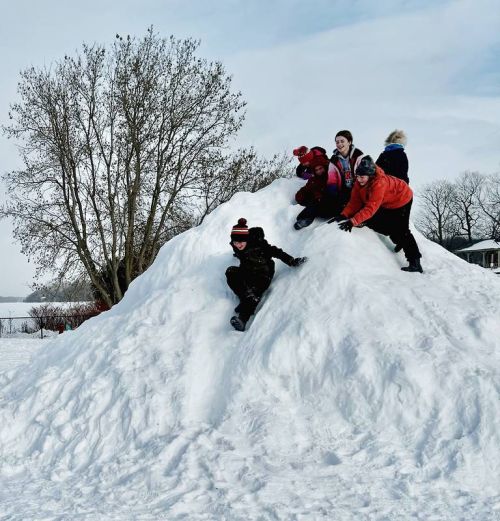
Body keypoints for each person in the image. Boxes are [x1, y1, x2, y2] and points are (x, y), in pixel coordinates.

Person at [329, 155, 423, 273]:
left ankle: (415, 262)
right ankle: (399, 241)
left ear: (370, 175)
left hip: (402, 198)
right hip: (387, 201)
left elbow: (370, 208)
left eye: (362, 177)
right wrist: (344, 215)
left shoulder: (379, 184)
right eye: (357, 176)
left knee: (402, 230)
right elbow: (354, 202)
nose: (359, 179)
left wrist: (353, 221)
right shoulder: (359, 183)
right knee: (378, 223)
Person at [226, 218, 307, 331]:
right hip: (248, 271)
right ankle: (245, 298)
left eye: (240, 242)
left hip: (263, 274)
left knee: (253, 295)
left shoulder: (260, 245)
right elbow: (238, 248)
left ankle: (242, 320)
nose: (238, 245)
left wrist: (292, 261)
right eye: (235, 242)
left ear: (247, 240)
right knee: (231, 272)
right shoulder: (237, 246)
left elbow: (277, 252)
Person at [294, 149, 344, 229]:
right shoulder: (314, 177)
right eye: (316, 170)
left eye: (320, 169)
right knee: (313, 202)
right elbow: (308, 186)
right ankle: (304, 219)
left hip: (335, 200)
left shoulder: (330, 172)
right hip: (323, 201)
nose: (319, 171)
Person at [330, 130, 364, 203]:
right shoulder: (334, 160)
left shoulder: (358, 156)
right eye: (337, 142)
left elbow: (364, 176)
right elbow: (332, 180)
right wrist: (333, 193)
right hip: (343, 191)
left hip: (358, 189)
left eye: (342, 141)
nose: (339, 144)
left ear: (349, 142)